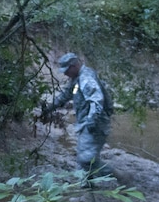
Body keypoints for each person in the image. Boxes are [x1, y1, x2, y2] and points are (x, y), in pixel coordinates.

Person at [46, 52, 113, 180]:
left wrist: (91, 121)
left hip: (95, 124)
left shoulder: (86, 78)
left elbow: (97, 100)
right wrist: (50, 107)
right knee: (85, 157)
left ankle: (118, 175)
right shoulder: (76, 79)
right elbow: (66, 95)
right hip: (87, 123)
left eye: (67, 70)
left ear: (75, 65)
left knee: (86, 159)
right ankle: (87, 185)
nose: (65, 73)